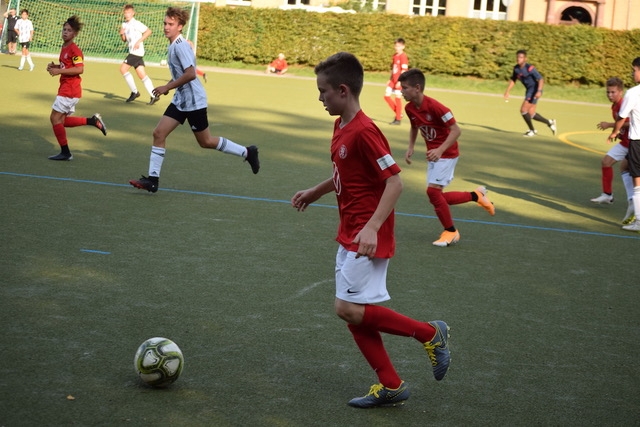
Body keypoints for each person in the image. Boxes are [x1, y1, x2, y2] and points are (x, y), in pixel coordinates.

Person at [291, 52, 450, 408]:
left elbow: (395, 181)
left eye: (323, 91)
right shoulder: (341, 125)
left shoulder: (365, 131)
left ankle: (430, 333)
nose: (319, 98)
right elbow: (345, 174)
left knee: (346, 308)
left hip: (366, 235)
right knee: (354, 311)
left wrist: (372, 228)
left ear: (343, 90)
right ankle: (391, 384)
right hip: (350, 230)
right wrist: (316, 191)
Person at [129, 7, 259, 193]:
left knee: (206, 141)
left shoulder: (180, 46)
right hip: (181, 100)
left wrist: (167, 87)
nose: (166, 27)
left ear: (180, 26)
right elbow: (181, 73)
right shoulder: (174, 44)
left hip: (194, 102)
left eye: (171, 24)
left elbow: (190, 74)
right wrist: (168, 86)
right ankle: (152, 180)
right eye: (165, 23)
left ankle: (247, 152)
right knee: (159, 133)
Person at [399, 68, 495, 247]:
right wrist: (411, 146)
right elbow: (414, 127)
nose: (401, 91)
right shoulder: (409, 108)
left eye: (404, 88)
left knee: (433, 193)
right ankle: (476, 196)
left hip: (447, 154)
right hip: (434, 155)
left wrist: (440, 150)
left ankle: (451, 232)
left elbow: (456, 130)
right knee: (437, 197)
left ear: (417, 88)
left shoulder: (436, 107)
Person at [46, 15, 107, 161]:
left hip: (70, 90)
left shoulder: (74, 50)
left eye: (69, 30)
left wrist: (59, 71)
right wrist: (55, 67)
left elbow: (79, 69)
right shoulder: (64, 47)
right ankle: (92, 121)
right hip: (66, 88)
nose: (65, 32)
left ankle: (66, 153)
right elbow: (67, 66)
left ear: (74, 34)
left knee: (55, 119)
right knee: (61, 121)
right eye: (64, 29)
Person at [591, 77, 635, 224]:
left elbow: (631, 122)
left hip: (634, 143)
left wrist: (610, 125)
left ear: (620, 92)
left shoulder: (624, 104)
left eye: (613, 92)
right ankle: (607, 195)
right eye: (608, 92)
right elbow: (622, 125)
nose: (610, 95)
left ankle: (633, 201)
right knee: (606, 161)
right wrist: (618, 133)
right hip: (625, 142)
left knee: (628, 169)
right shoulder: (614, 106)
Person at [609, 57, 640, 232]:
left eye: (634, 70)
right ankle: (632, 203)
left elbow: (621, 116)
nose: (632, 73)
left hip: (638, 141)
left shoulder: (633, 93)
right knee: (624, 166)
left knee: (637, 181)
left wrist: (614, 132)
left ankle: (638, 219)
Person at [504, 50, 557, 137]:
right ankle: (550, 122)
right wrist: (507, 91)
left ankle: (532, 130)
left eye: (521, 57)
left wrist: (539, 91)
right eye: (517, 57)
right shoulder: (516, 68)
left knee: (523, 110)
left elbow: (541, 79)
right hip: (529, 90)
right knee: (531, 113)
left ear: (525, 59)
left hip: (534, 90)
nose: (518, 59)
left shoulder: (530, 68)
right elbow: (513, 80)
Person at [119, 4, 159, 105]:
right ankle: (154, 95)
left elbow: (148, 31)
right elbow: (124, 40)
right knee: (142, 74)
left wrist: (138, 41)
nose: (127, 14)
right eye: (125, 13)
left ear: (133, 13)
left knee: (123, 69)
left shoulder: (136, 23)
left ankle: (135, 92)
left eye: (129, 12)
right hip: (133, 51)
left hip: (136, 52)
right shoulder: (124, 24)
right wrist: (122, 34)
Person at [384, 38, 408, 125]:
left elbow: (404, 70)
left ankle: (398, 119)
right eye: (396, 46)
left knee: (398, 98)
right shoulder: (395, 56)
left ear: (403, 47)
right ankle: (399, 114)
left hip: (399, 81)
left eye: (398, 46)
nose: (396, 48)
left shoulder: (403, 56)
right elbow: (393, 69)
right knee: (386, 96)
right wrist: (390, 79)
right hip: (393, 80)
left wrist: (400, 81)